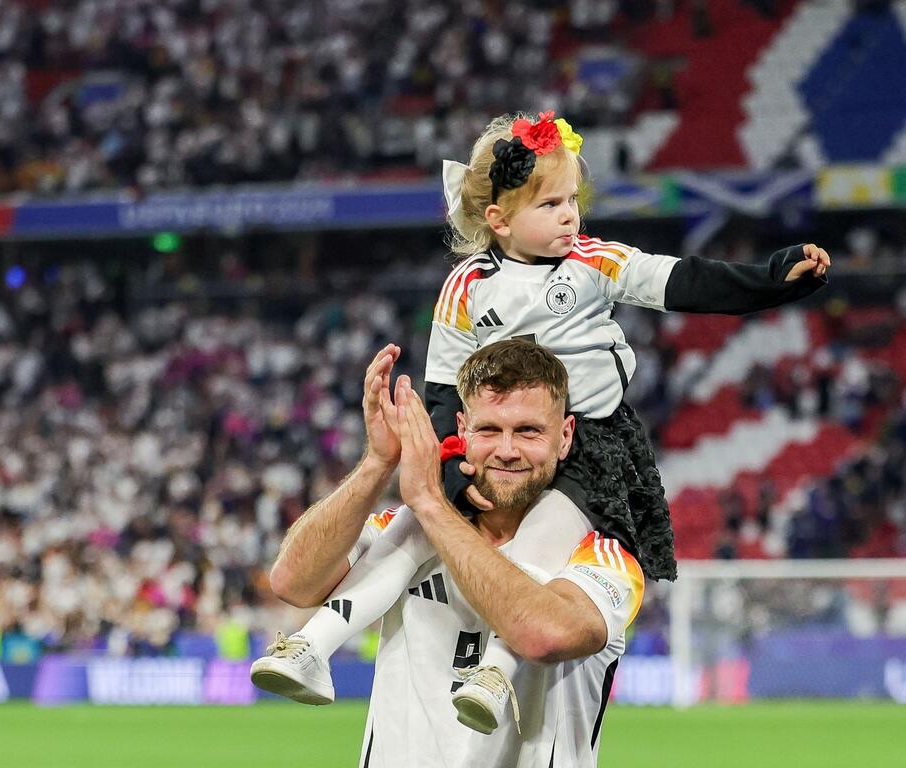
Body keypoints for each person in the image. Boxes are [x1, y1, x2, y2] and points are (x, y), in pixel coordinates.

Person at [252, 110, 831, 733]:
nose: (569, 216)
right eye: (550, 203)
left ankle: (497, 672)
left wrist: (771, 280)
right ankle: (311, 646)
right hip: (495, 438)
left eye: (571, 200)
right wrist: (449, 475)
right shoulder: (465, 287)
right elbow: (446, 393)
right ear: (498, 219)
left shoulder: (595, 260)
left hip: (591, 447)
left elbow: (681, 281)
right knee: (419, 525)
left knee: (536, 547)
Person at [259, 340, 645, 767]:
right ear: (462, 431)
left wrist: (431, 504)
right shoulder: (406, 530)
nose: (508, 450)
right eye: (489, 430)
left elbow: (542, 634)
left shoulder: (602, 556)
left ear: (565, 437)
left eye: (529, 431)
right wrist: (377, 462)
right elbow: (292, 582)